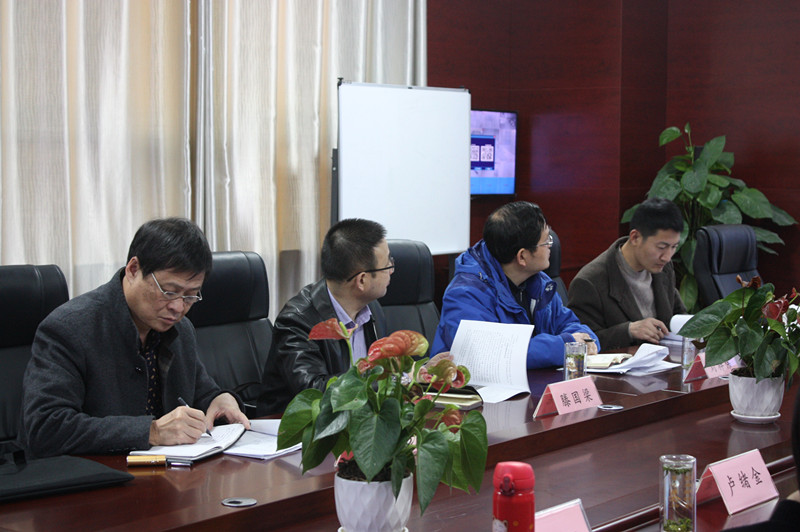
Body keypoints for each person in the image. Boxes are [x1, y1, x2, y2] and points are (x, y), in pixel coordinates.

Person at [19, 218, 250, 457]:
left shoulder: (181, 330)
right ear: (133, 269)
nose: (178, 307)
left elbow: (202, 392)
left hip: (167, 473)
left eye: (190, 296)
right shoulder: (70, 328)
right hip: (93, 473)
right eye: (169, 292)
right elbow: (45, 428)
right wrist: (151, 431)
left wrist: (221, 399)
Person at [431, 201, 599, 369]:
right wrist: (565, 345)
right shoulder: (466, 294)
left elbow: (570, 325)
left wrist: (585, 339)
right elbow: (493, 354)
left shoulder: (539, 283)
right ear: (522, 257)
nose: (550, 245)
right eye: (546, 241)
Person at [259, 218, 389, 414]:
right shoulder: (297, 321)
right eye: (387, 265)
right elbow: (315, 391)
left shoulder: (371, 309)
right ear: (362, 280)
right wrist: (393, 379)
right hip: (293, 427)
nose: (392, 270)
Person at [567, 197, 686, 349]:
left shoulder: (664, 268)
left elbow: (679, 316)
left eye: (674, 247)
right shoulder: (590, 282)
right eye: (661, 247)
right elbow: (582, 342)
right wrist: (628, 331)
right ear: (635, 237)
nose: (667, 257)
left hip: (663, 360)